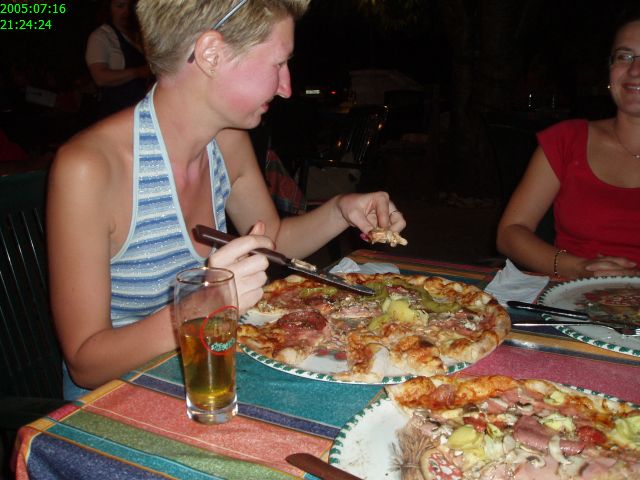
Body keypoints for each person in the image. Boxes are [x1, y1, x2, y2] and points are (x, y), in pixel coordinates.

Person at [48, 0, 406, 400]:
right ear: (211, 54)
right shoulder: (90, 168)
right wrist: (201, 306)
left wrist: (342, 209)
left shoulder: (227, 141)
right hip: (115, 399)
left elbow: (272, 243)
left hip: (208, 368)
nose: (286, 87)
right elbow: (85, 364)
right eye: (277, 64)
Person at [496, 10, 640, 279]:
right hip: (572, 295)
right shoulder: (567, 140)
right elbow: (510, 232)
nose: (635, 70)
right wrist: (578, 268)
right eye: (625, 56)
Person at [85, 0, 152, 118]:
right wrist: (137, 72)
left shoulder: (139, 35)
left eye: (130, 6)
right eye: (120, 6)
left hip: (140, 111)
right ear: (109, 9)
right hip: (115, 113)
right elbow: (100, 78)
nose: (126, 12)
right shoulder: (101, 36)